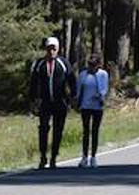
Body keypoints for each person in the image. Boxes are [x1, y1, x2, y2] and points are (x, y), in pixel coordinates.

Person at [28, 35, 73, 169]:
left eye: (54, 49)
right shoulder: (39, 64)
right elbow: (33, 84)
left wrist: (71, 98)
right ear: (46, 49)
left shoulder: (63, 63)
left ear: (58, 49)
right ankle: (43, 157)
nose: (51, 51)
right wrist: (32, 101)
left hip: (60, 102)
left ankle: (54, 157)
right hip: (44, 102)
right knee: (43, 129)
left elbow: (72, 81)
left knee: (58, 130)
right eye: (49, 48)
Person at [75, 54, 109, 168]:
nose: (91, 67)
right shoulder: (83, 75)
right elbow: (79, 90)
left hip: (97, 106)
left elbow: (104, 89)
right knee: (86, 131)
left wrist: (100, 95)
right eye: (90, 65)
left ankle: (93, 157)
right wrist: (77, 102)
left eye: (94, 65)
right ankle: (84, 157)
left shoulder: (103, 75)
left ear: (98, 65)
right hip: (85, 106)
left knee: (95, 131)